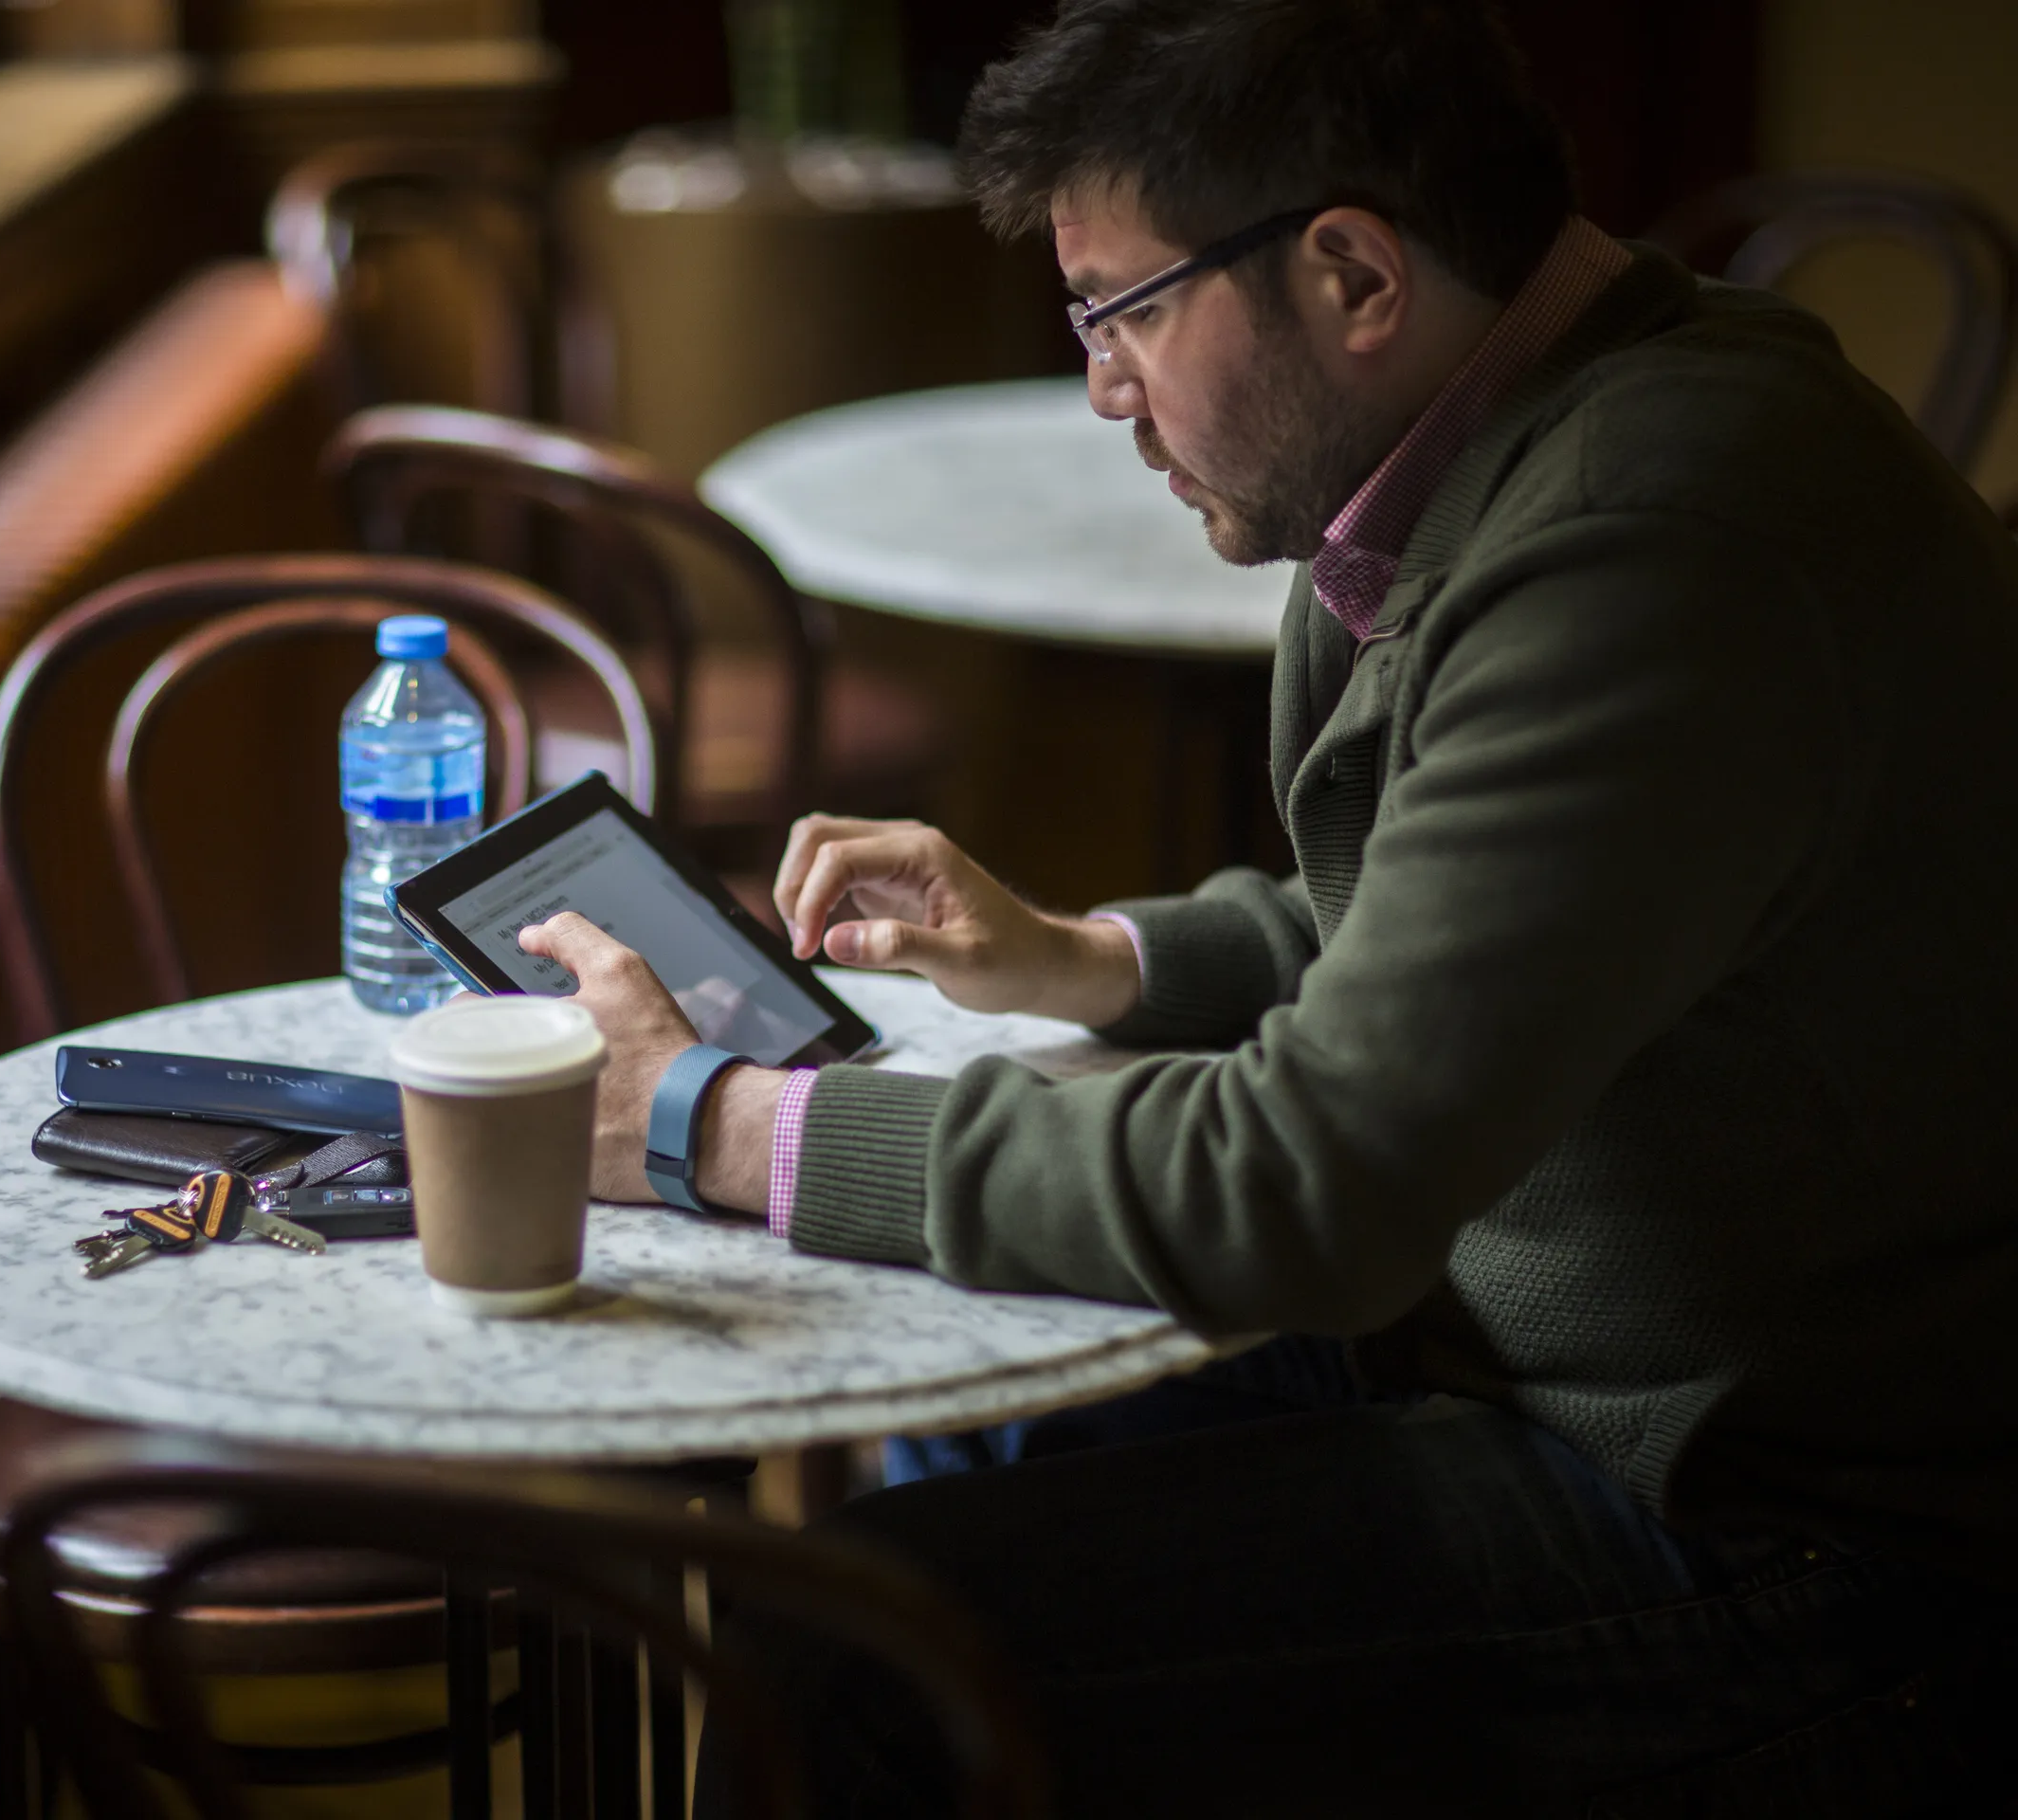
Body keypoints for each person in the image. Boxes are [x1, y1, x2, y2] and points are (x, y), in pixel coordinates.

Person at [517, 0, 2018, 1811]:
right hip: (1542, 1345)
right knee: (978, 1416)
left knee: (862, 1642)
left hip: (1780, 1521)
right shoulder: (1508, 452)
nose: (1101, 385)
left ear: (1352, 274)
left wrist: (710, 1118)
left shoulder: (1654, 545)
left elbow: (1305, 1190)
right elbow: (1451, 937)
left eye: (1121, 308)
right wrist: (1081, 958)